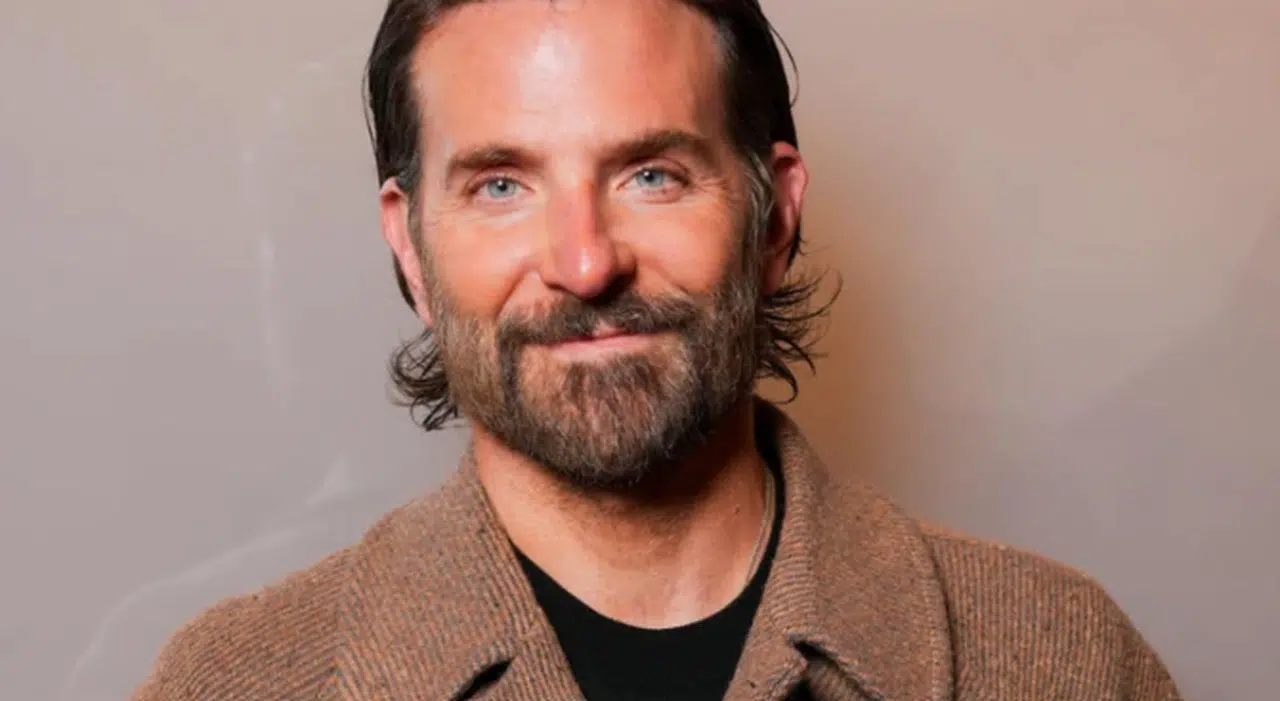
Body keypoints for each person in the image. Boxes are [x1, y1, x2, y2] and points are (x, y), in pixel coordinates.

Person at [132, 0, 1182, 699]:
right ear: (410, 246)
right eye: (501, 185)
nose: (586, 263)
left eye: (652, 176)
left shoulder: (1063, 658)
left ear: (773, 217)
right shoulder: (235, 682)